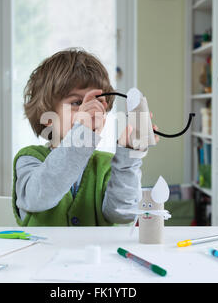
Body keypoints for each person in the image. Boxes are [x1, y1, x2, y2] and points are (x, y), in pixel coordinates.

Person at [12, 48, 159, 226]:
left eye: (97, 102)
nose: (89, 110)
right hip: (44, 253)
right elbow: (38, 198)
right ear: (47, 116)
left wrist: (128, 156)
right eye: (76, 103)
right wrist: (81, 135)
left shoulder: (107, 165)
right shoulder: (29, 159)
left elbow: (123, 215)